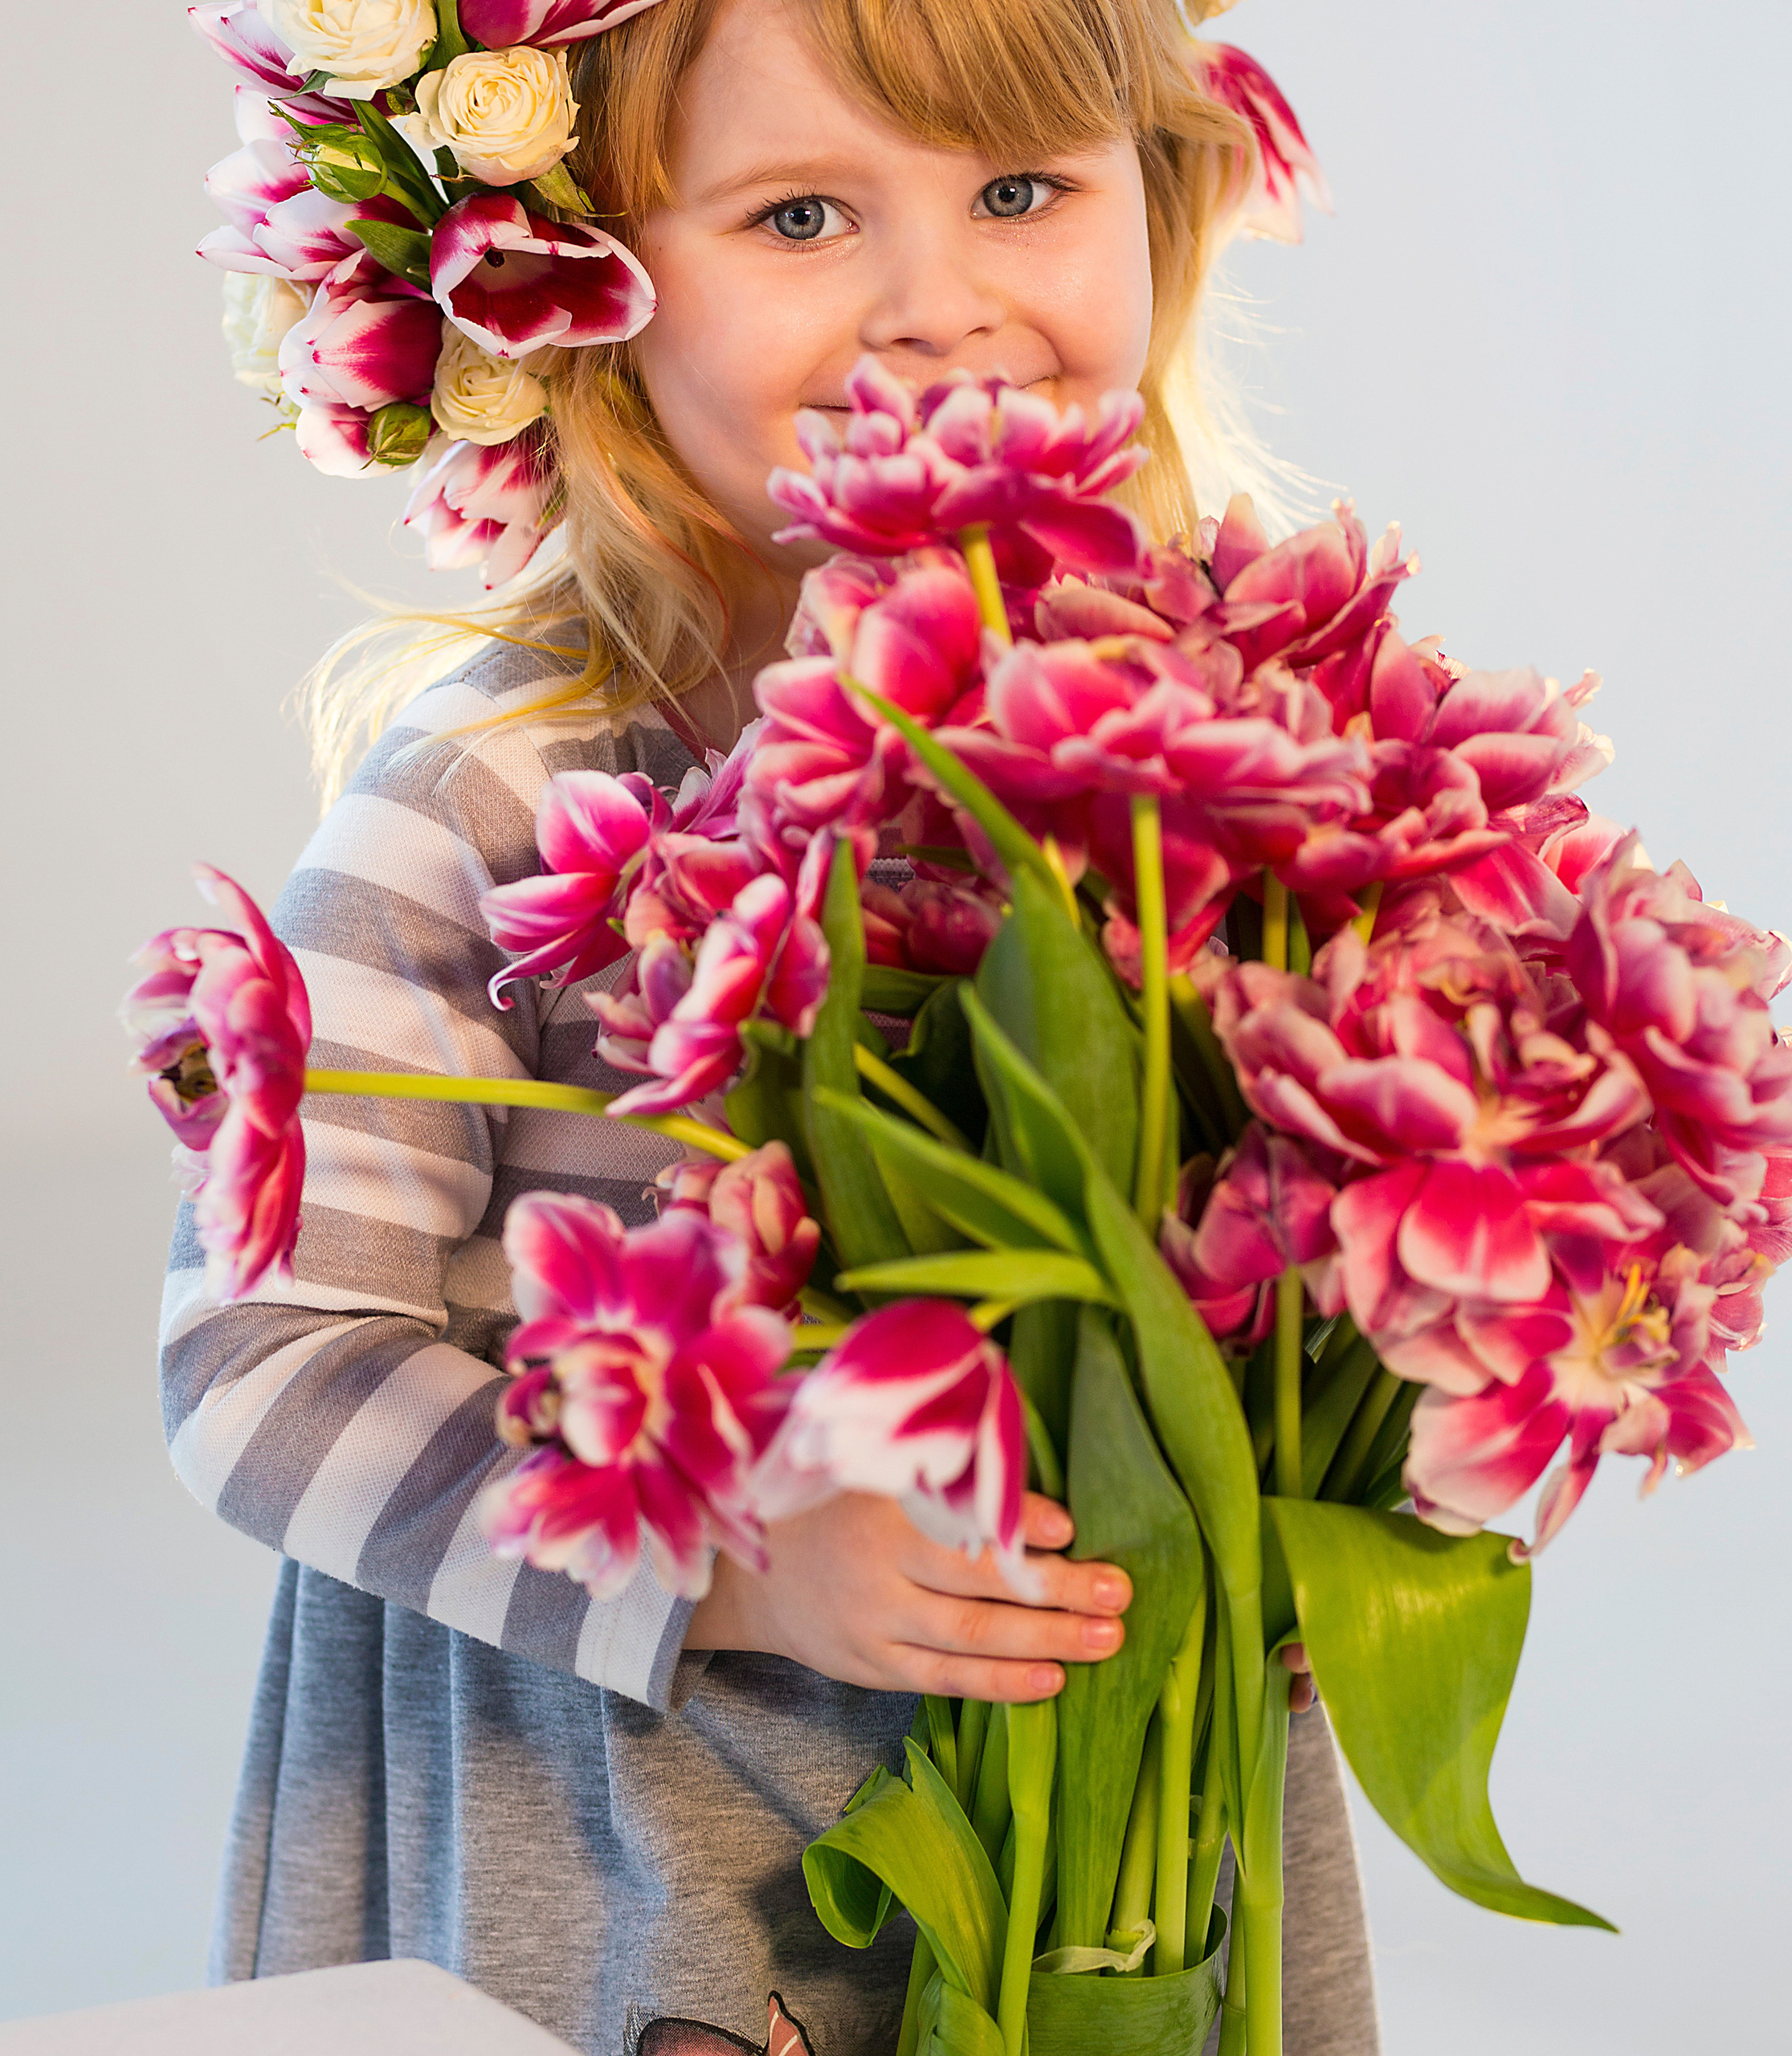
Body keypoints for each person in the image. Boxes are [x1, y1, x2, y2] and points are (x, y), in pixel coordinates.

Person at [163, 2, 1378, 2050]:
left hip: (1114, 1813)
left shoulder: (1213, 741)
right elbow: (253, 1358)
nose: (945, 303)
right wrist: (725, 1563)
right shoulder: (494, 797)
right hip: (630, 1839)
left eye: (1022, 191)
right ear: (582, 295)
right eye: (801, 211)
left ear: (1156, 199)